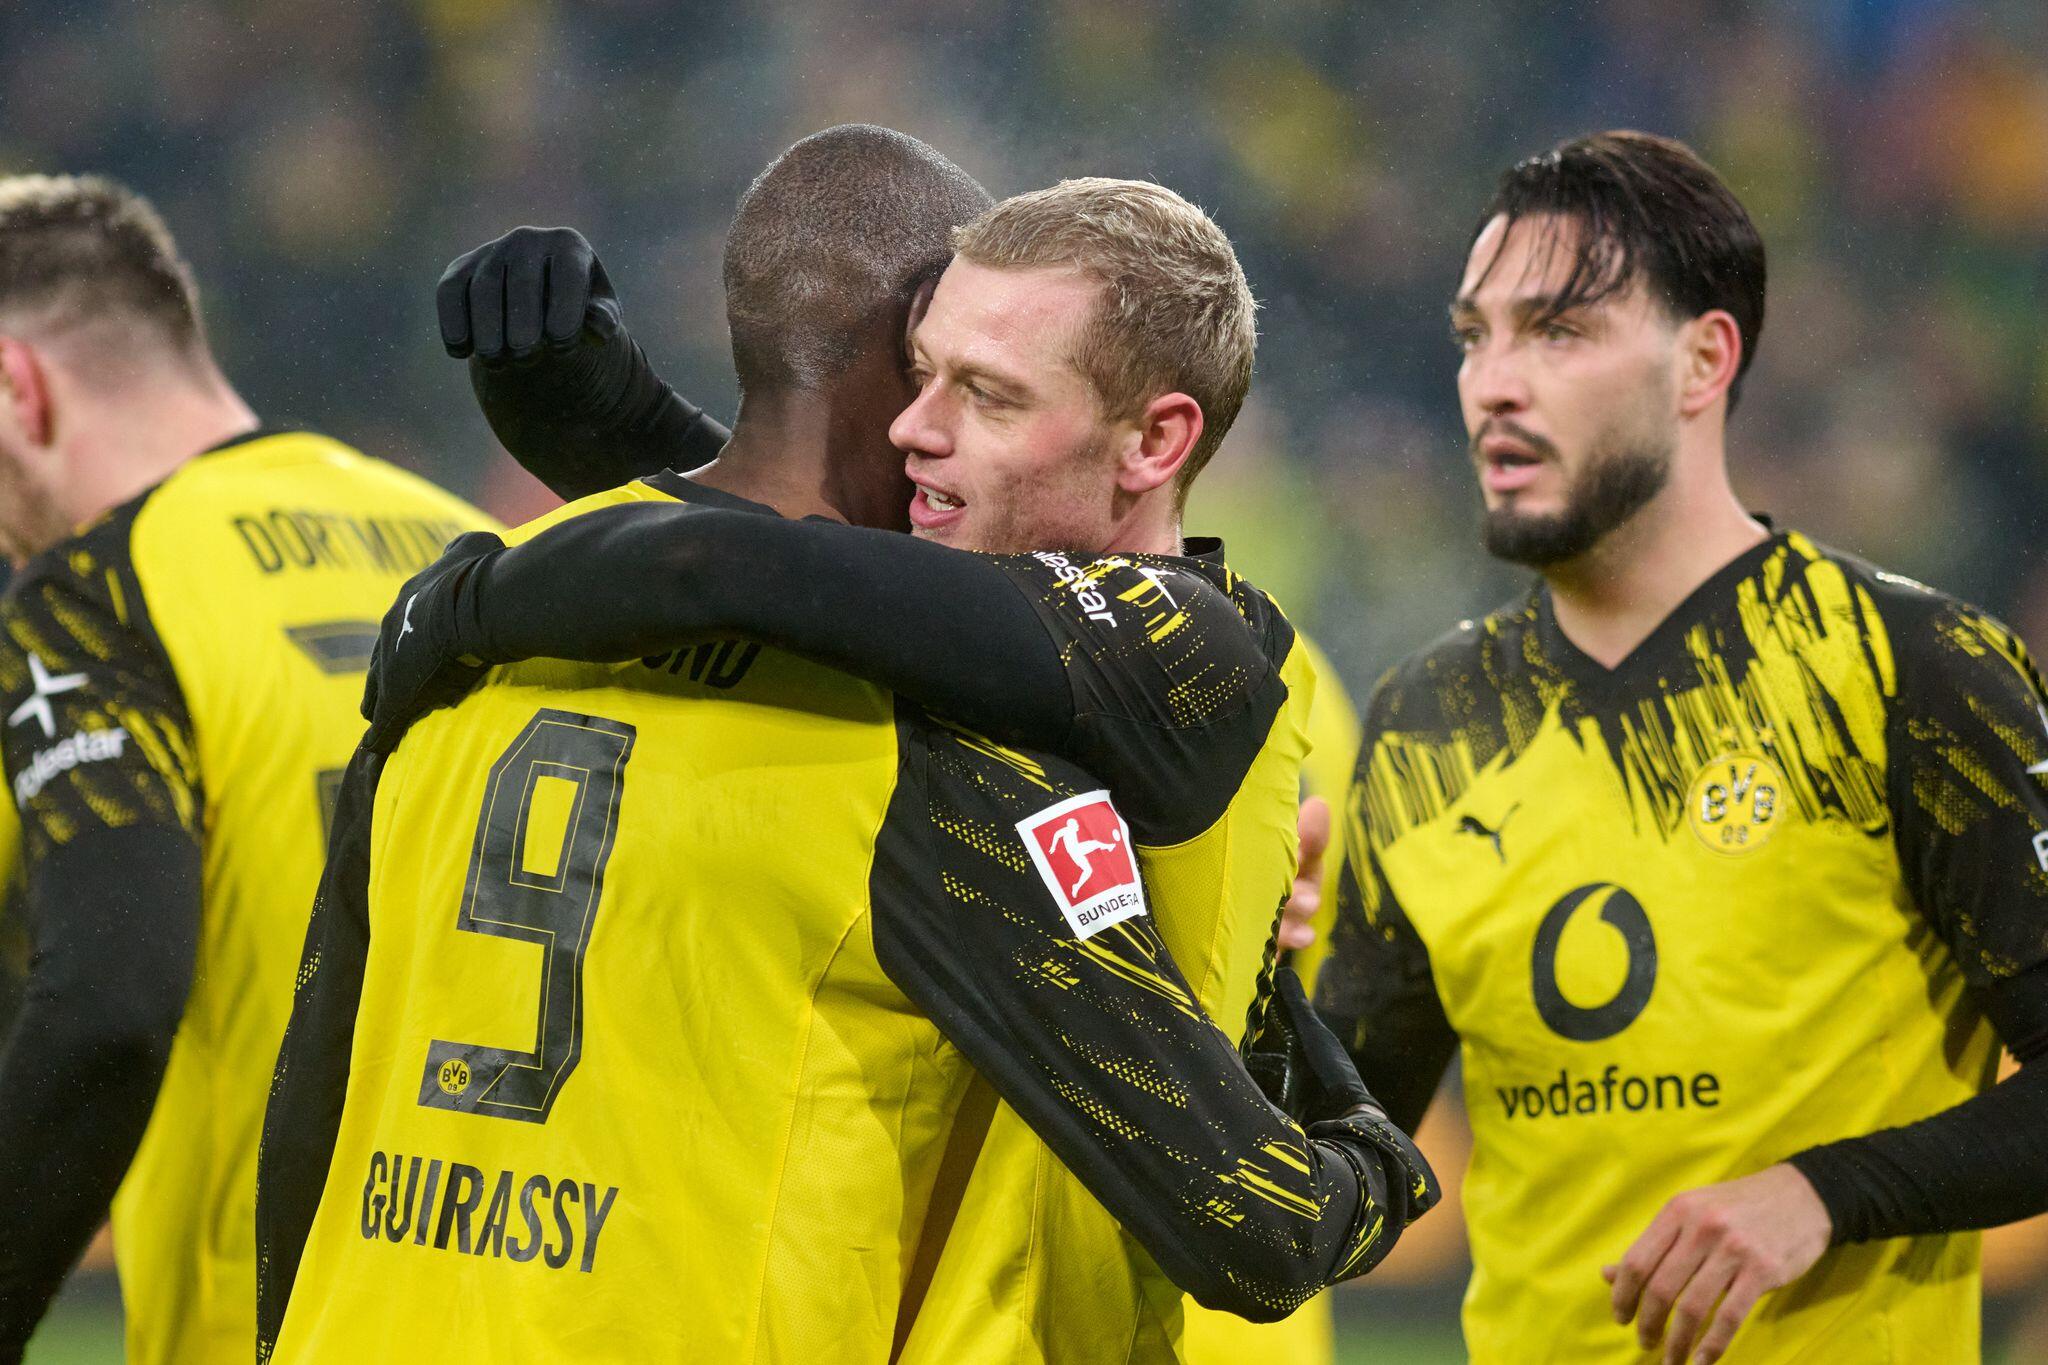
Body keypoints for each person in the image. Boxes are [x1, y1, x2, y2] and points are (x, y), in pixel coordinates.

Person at [258, 129, 1433, 1363]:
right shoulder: (933, 748)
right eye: (919, 376)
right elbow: (1246, 1210)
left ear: (1154, 442)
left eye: (984, 392)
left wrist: (465, 595)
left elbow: (310, 1103)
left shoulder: (452, 688)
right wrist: (1367, 1146)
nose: (918, 429)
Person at [1314, 128, 2048, 1365]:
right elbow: (1346, 1157)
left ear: (1703, 358)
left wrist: (1819, 1194)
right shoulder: (1429, 723)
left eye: (1556, 332)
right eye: (1473, 337)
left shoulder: (1908, 672)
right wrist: (1250, 973)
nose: (1493, 383)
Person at [0, 174, 493, 1365]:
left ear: (18, 386)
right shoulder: (471, 552)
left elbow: (108, 1002)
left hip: (269, 1324)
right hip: (512, 1302)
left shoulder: (100, 592)